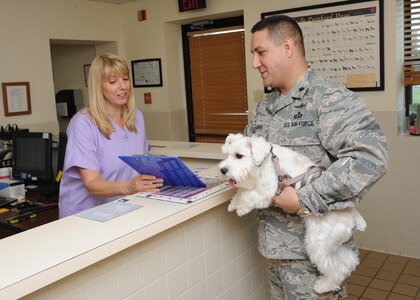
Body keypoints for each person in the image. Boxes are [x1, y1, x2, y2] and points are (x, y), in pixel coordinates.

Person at [245, 15, 388, 299]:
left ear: (287, 47)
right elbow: (250, 156)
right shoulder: (265, 108)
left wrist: (304, 198)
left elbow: (371, 157)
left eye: (260, 53)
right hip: (274, 250)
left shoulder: (328, 100)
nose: (255, 63)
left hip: (314, 258)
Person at [59, 53, 163, 218]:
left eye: (126, 79)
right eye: (113, 82)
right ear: (98, 86)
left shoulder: (136, 117)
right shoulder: (83, 124)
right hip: (86, 215)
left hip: (124, 207)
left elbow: (140, 164)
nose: (123, 87)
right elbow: (92, 184)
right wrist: (130, 187)